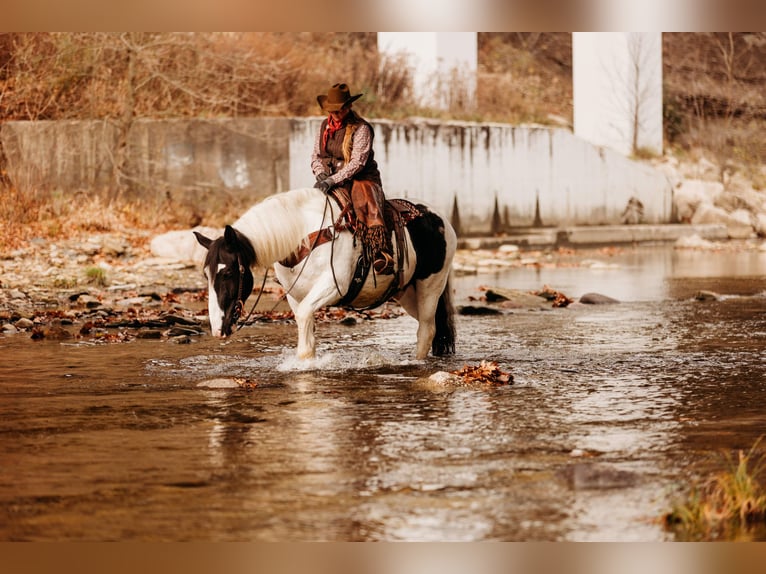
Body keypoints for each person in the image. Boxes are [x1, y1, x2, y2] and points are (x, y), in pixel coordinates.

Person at [311, 82, 393, 275]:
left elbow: (357, 163)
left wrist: (332, 180)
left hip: (360, 178)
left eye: (339, 110)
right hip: (329, 177)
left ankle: (381, 251)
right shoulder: (323, 126)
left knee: (366, 203)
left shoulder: (361, 128)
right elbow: (315, 155)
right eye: (332, 111)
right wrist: (319, 173)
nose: (335, 114)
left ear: (348, 107)